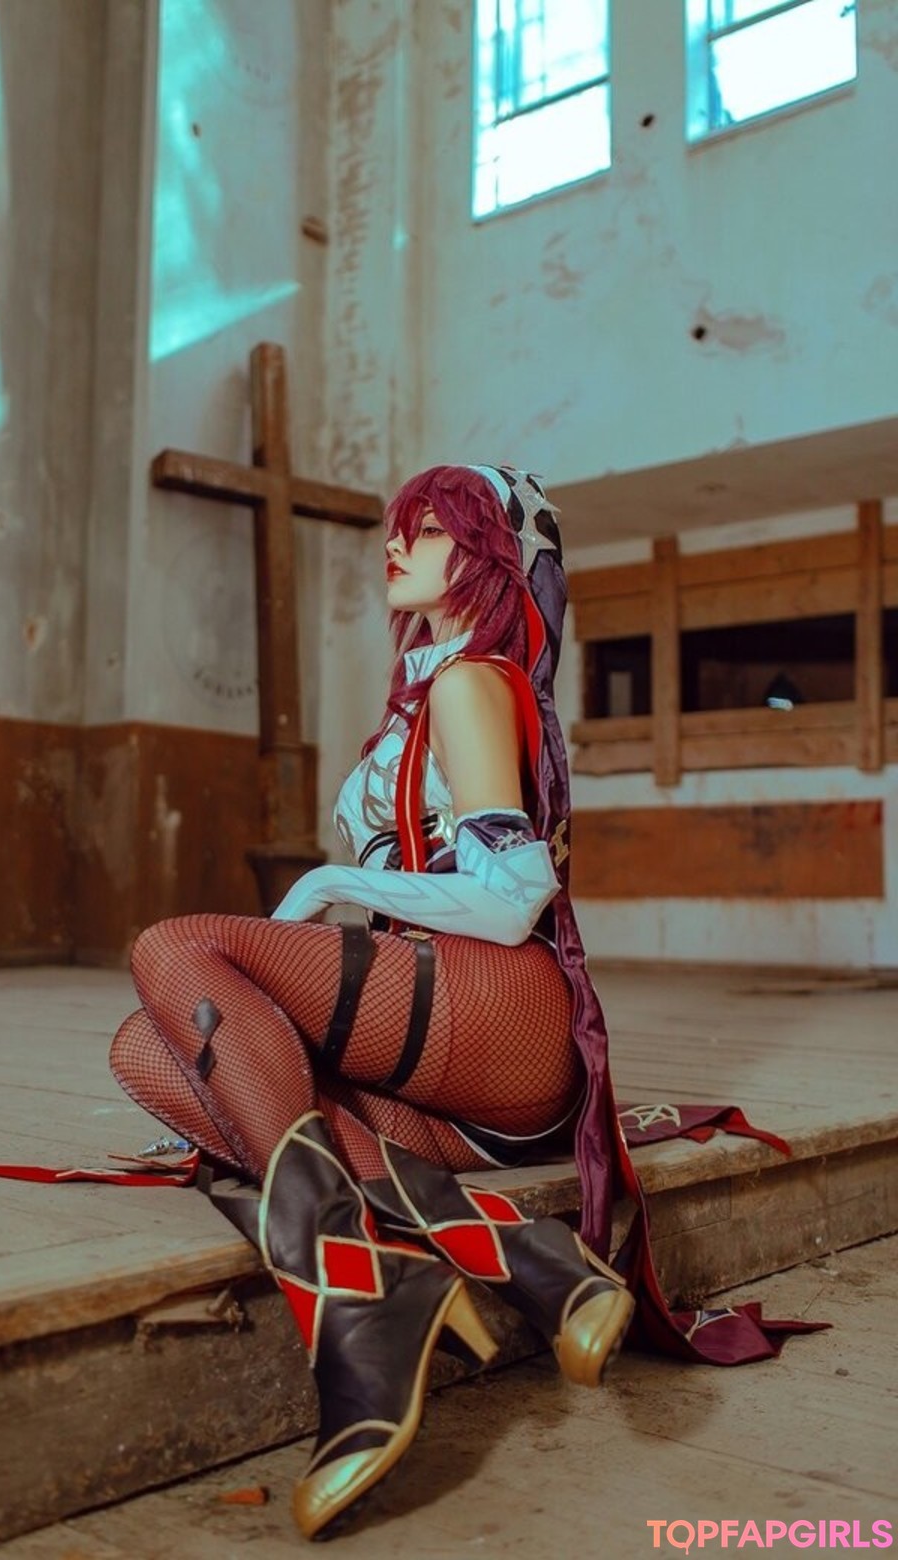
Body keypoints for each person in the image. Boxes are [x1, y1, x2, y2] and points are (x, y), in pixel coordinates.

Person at [108, 464, 818, 1542]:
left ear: (490, 559)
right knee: (144, 1051)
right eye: (402, 528)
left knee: (174, 949)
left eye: (431, 529)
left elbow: (514, 891)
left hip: (500, 1014)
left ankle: (355, 1300)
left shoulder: (469, 685)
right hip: (442, 1052)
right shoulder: (428, 690)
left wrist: (332, 883)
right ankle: (527, 1261)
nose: (398, 544)